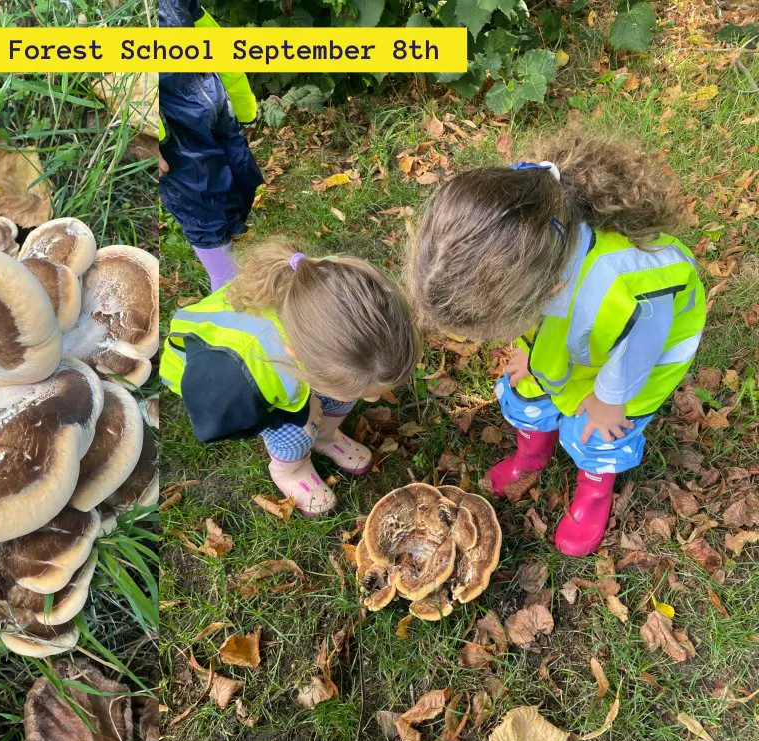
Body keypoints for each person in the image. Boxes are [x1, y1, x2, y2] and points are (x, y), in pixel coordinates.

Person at [406, 128, 705, 556]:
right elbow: (533, 317)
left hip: (633, 358)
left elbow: (640, 346)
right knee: (527, 388)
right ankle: (532, 455)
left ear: (548, 289)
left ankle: (595, 491)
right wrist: (528, 349)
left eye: (501, 324)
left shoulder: (623, 286)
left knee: (600, 431)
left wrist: (610, 397)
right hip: (575, 335)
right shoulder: (529, 246)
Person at [160, 242, 420, 516]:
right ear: (298, 359)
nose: (374, 399)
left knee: (339, 397)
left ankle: (326, 436)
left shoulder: (332, 281)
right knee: (298, 430)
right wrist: (296, 415)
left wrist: (329, 397)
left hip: (287, 365)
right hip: (218, 384)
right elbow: (216, 422)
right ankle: (291, 468)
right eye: (368, 392)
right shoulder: (239, 377)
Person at [158, 0, 263, 291]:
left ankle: (231, 251)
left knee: (239, 180)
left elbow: (207, 31)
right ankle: (227, 289)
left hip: (210, 102)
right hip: (173, 133)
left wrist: (239, 99)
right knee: (202, 206)